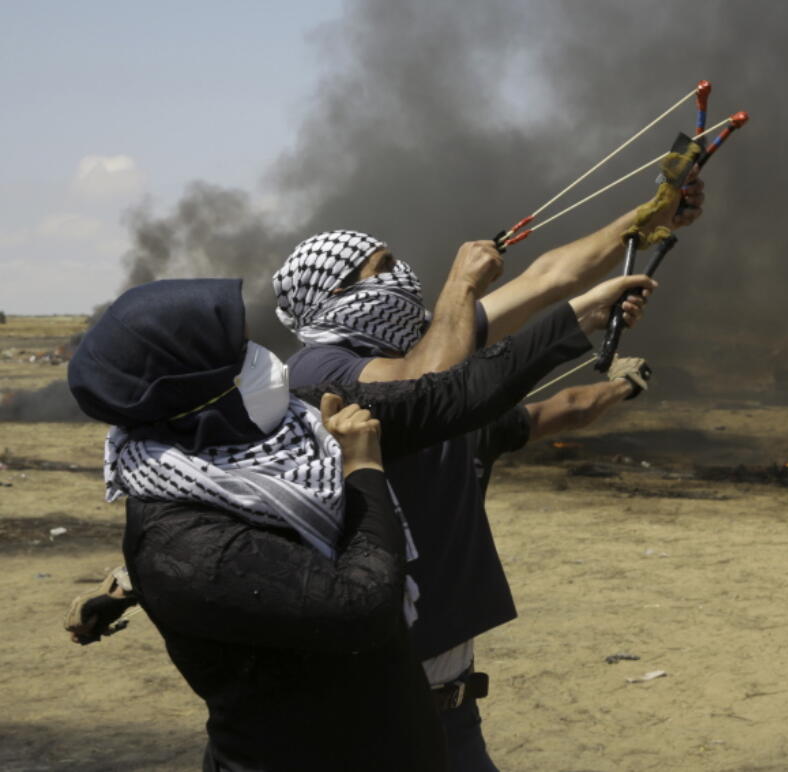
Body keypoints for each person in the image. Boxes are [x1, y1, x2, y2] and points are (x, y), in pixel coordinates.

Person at [66, 274, 628, 771]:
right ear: (192, 391)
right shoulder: (185, 543)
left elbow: (444, 397)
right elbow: (362, 603)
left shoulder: (294, 421)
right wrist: (362, 468)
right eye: (238, 355)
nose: (261, 356)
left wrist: (578, 318)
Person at [273, 188, 698, 769]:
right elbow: (432, 393)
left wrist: (648, 218)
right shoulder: (317, 370)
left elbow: (549, 276)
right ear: (338, 294)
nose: (402, 276)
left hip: (447, 703)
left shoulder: (427, 337)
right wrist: (461, 286)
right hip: (370, 711)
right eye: (384, 268)